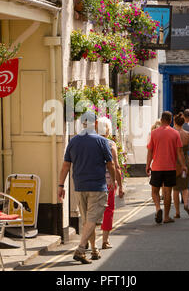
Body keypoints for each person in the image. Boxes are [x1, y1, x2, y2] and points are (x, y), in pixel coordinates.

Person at [58, 111, 117, 264]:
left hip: (79, 186)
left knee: (86, 221)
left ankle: (94, 250)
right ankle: (81, 248)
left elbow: (66, 165)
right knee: (91, 220)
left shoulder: (73, 141)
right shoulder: (102, 141)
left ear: (82, 124)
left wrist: (60, 185)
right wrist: (113, 181)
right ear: (96, 124)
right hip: (97, 186)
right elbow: (110, 165)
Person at [146, 111, 187, 224]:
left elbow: (150, 151)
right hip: (170, 167)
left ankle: (158, 208)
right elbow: (180, 152)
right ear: (170, 120)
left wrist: (148, 165)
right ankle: (166, 217)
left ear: (161, 119)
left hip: (157, 167)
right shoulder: (175, 133)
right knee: (167, 192)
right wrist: (183, 165)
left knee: (154, 191)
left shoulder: (154, 133)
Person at [97, 117, 124, 250]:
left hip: (94, 182)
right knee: (108, 210)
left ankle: (88, 243)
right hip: (108, 182)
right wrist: (120, 185)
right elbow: (116, 166)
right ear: (108, 129)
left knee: (93, 211)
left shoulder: (93, 143)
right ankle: (105, 241)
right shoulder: (111, 144)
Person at [172, 113, 189, 218]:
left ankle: (177, 212)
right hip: (186, 163)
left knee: (176, 189)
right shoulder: (188, 134)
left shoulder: (172, 134)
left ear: (174, 122)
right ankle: (186, 204)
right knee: (185, 186)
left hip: (175, 164)